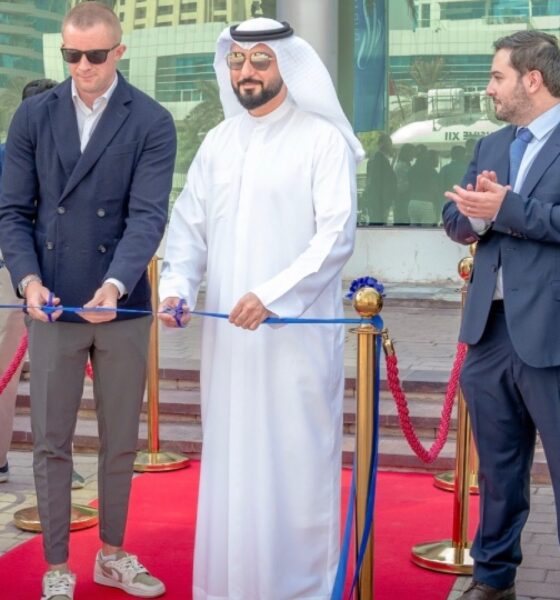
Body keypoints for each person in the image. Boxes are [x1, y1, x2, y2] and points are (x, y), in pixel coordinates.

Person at [159, 17, 363, 600]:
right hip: (227, 344)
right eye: (237, 61)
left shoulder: (321, 140)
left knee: (292, 465)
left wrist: (273, 295)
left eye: (260, 60)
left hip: (292, 341)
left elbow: (335, 238)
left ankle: (298, 589)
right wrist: (176, 286)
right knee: (231, 464)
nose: (246, 71)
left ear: (287, 66)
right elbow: (188, 230)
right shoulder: (220, 142)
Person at [0, 3, 176, 599]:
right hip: (50, 302)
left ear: (119, 52)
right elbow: (12, 212)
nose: (82, 67)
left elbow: (148, 216)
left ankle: (113, 554)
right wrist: (26, 281)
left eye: (95, 56)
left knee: (120, 436)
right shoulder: (32, 116)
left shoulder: (151, 120)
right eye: (71, 56)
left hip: (121, 304)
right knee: (50, 440)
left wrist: (116, 283)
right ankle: (55, 567)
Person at [443, 30, 560, 600]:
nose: (489, 87)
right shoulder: (492, 146)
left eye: (497, 76)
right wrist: (477, 217)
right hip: (489, 334)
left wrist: (507, 208)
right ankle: (493, 580)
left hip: (553, 336)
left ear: (531, 79)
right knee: (497, 471)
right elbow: (453, 216)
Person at [0, 79, 58, 484]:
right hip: (11, 280)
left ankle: (56, 462)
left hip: (58, 282)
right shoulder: (7, 156)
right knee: (8, 371)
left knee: (58, 373)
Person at [361, 132, 397, 224]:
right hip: (379, 202)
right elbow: (379, 182)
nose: (391, 146)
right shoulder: (379, 159)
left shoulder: (377, 159)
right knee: (378, 225)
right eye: (389, 143)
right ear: (382, 144)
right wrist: (385, 203)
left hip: (377, 201)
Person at [393, 143, 415, 225]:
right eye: (412, 153)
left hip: (404, 198)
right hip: (402, 198)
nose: (413, 155)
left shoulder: (405, 165)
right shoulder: (402, 166)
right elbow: (401, 185)